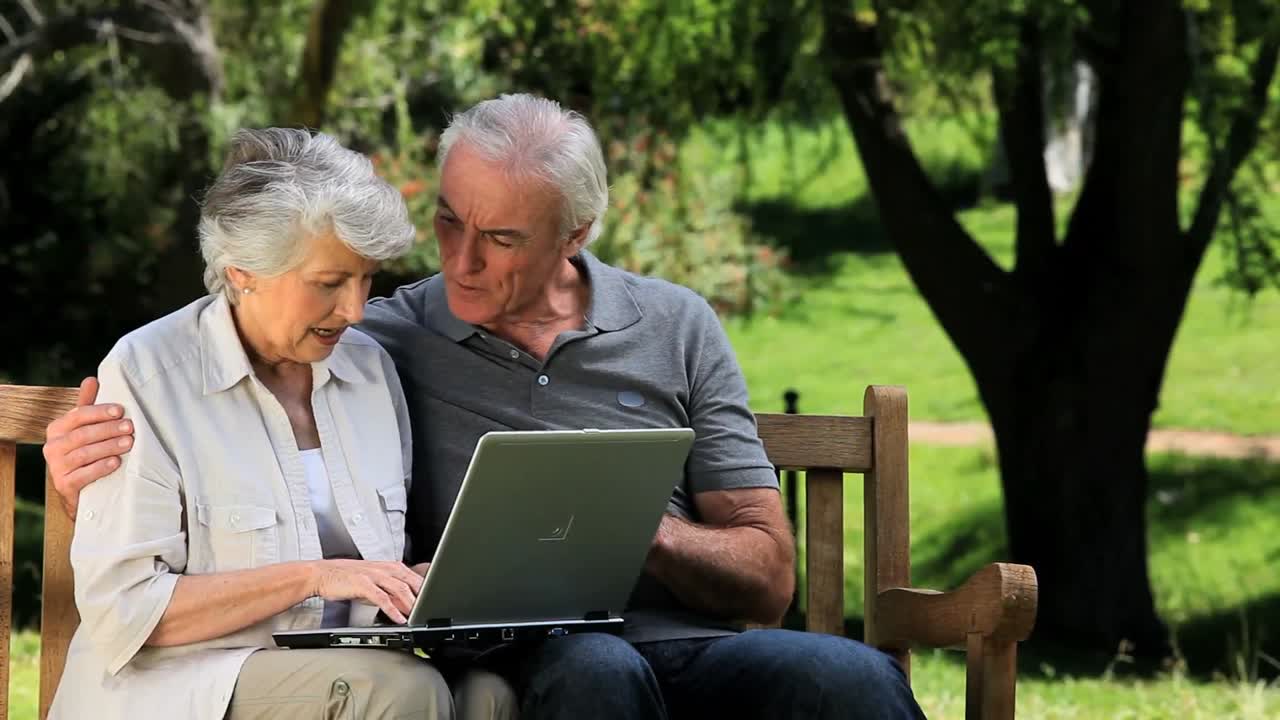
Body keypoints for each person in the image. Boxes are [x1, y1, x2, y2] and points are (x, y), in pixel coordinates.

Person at [45, 95, 925, 719]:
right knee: (593, 669)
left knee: (847, 680)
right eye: (448, 223)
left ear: (574, 235)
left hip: (689, 640)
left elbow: (768, 583)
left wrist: (631, 524)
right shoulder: (380, 340)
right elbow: (223, 351)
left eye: (500, 238)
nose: (459, 262)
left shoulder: (675, 325)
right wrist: (77, 465)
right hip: (526, 653)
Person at [45, 128, 515, 720]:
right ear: (243, 271)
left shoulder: (369, 370)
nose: (355, 309)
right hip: (180, 685)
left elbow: (377, 565)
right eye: (329, 283)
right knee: (397, 689)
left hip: (349, 668)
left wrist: (417, 581)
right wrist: (315, 577)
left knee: (487, 696)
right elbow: (127, 610)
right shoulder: (147, 374)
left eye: (366, 278)